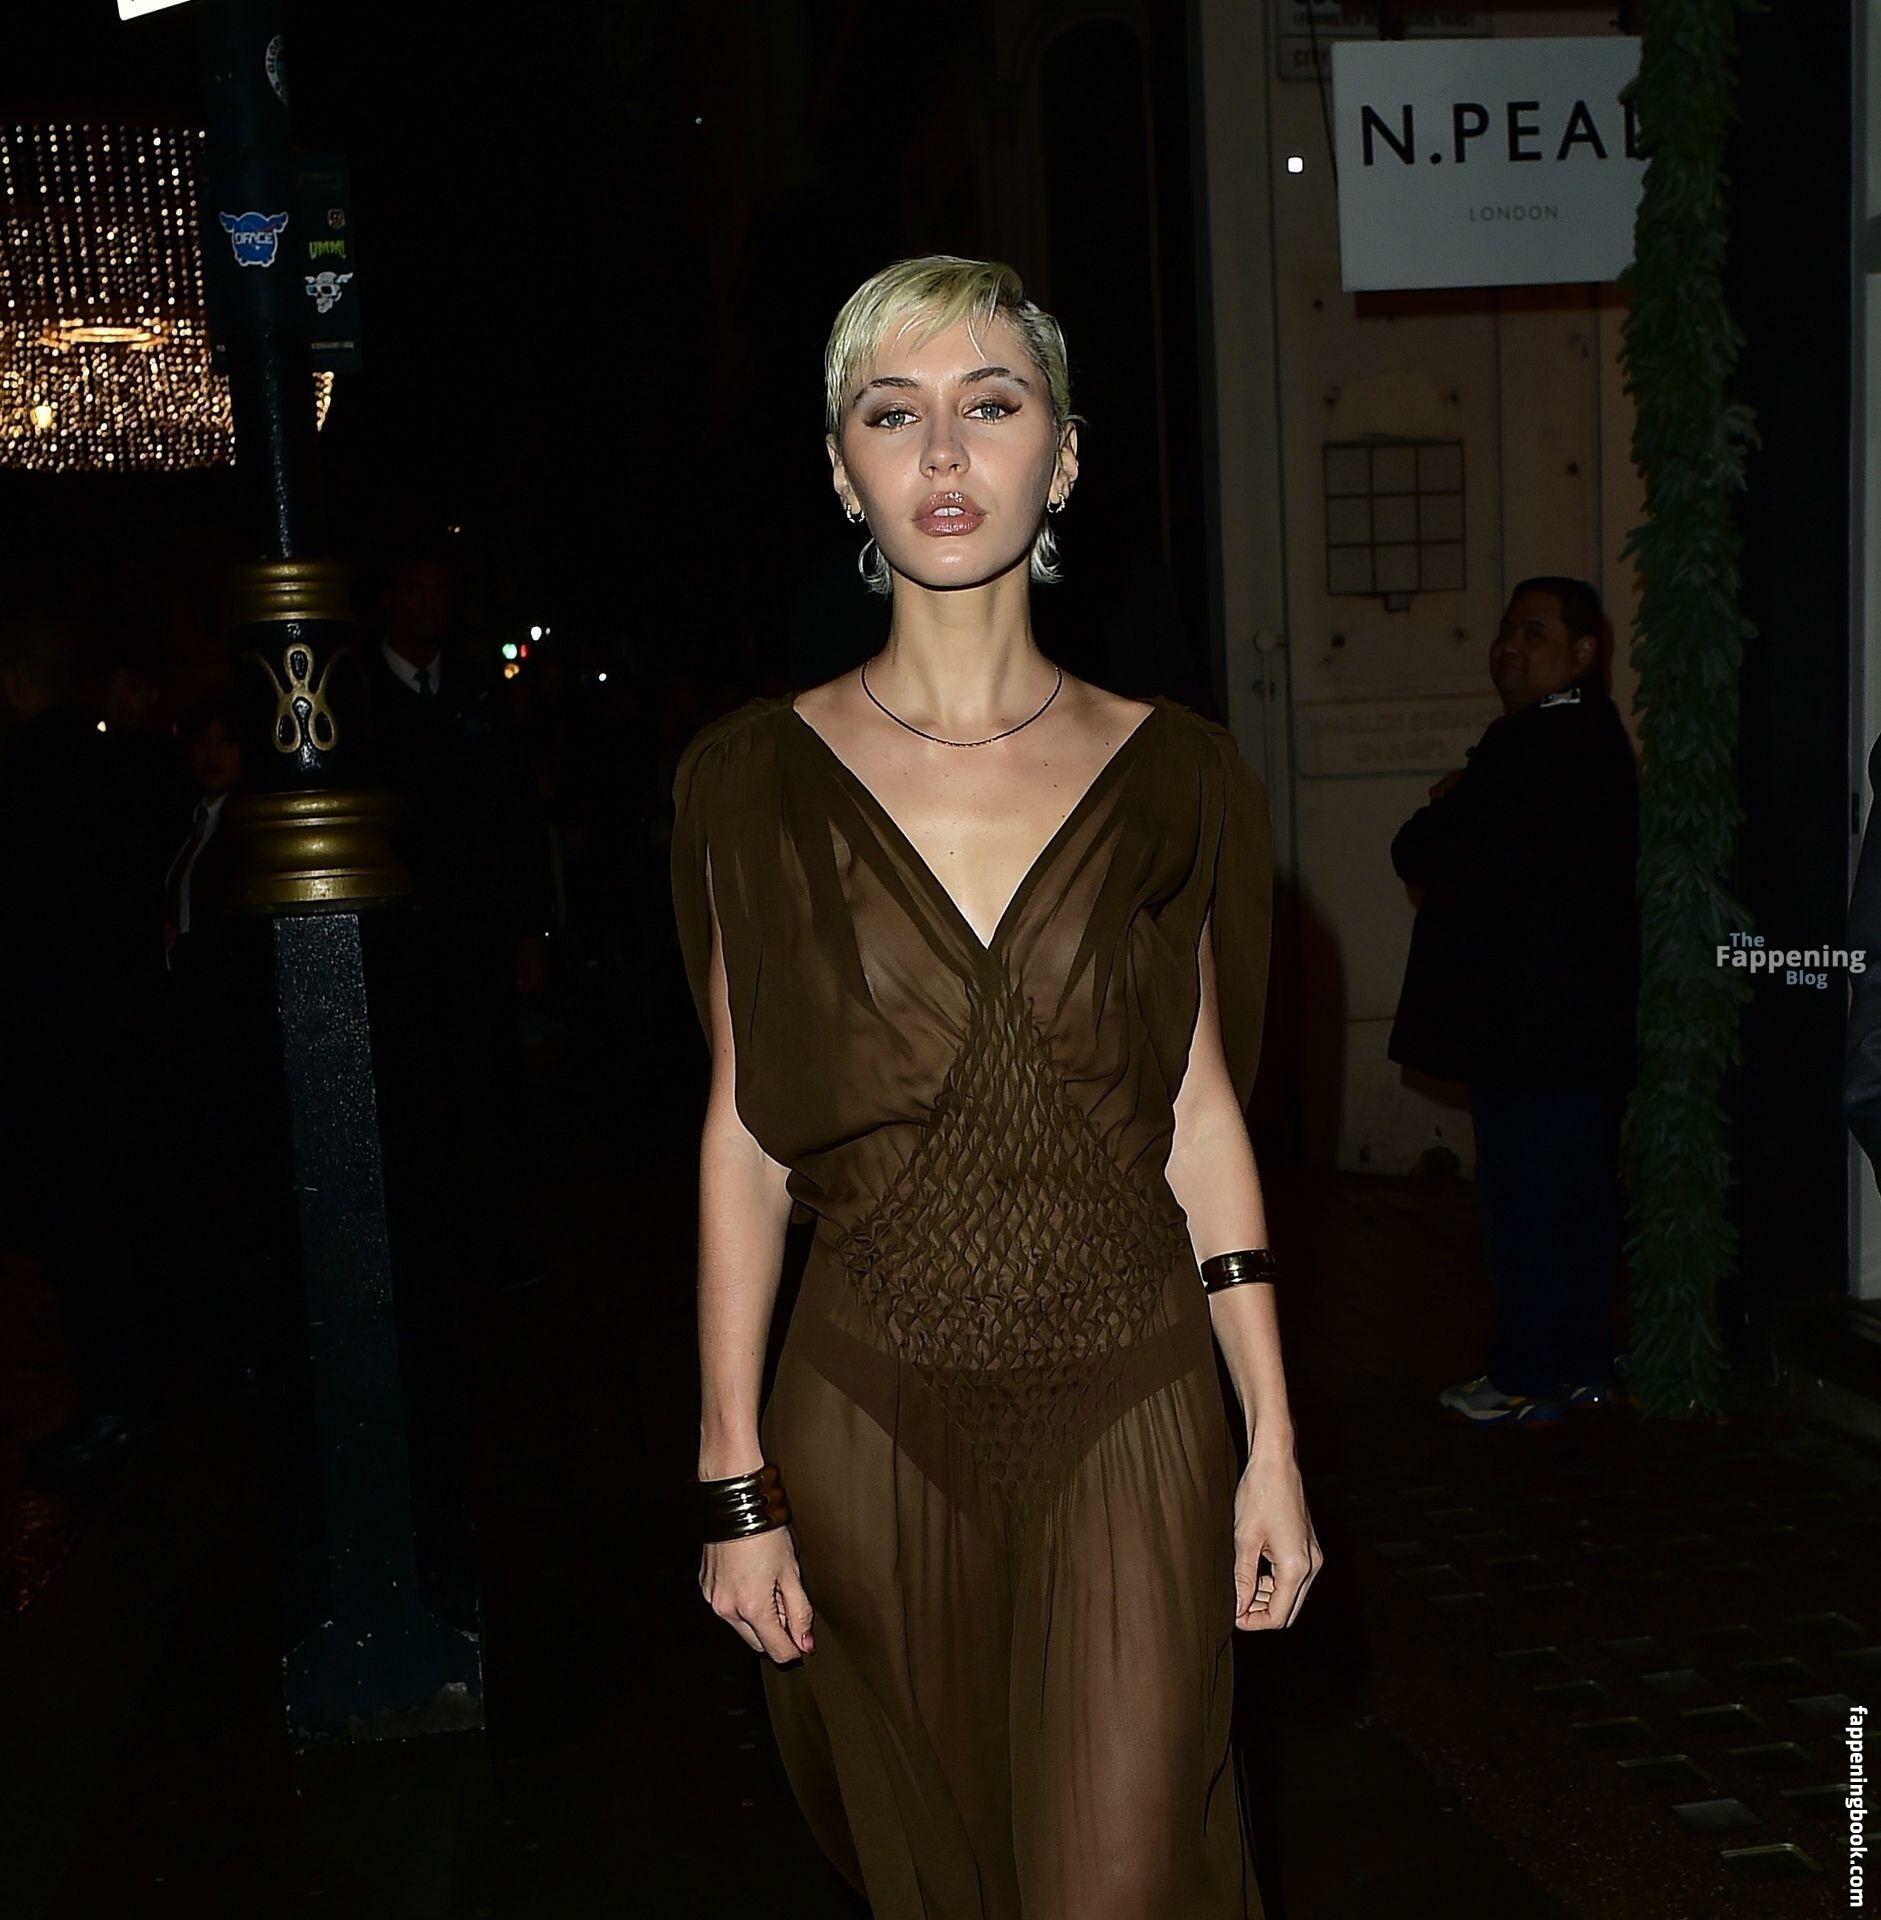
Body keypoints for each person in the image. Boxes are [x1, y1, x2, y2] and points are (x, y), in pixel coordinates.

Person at [670, 255, 1320, 1915]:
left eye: (992, 405)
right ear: (844, 473)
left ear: (1064, 456)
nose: (946, 456)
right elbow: (745, 1139)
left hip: (1132, 1398)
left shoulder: (1174, 775)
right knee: (943, 1880)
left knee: (1120, 1875)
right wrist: (734, 1477)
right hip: (865, 1416)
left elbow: (1200, 1119)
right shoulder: (752, 783)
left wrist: (1271, 1440)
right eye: (894, 415)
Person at [1388, 578, 1639, 1427]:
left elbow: (1421, 849)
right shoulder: (1589, 738)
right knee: (1575, 1198)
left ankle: (1526, 1374)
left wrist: (1451, 800)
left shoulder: (1532, 745)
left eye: (1534, 633)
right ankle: (1580, 1367)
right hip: (1576, 1021)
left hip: (1528, 1025)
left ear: (1582, 652)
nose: (1509, 647)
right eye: (1506, 630)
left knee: (1525, 1203)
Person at [0, 614, 163, 1473]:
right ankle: (134, 1392)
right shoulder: (109, 763)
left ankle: (115, 1403)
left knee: (83, 1226)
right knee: (119, 1215)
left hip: (58, 1041)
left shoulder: (28, 771)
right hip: (118, 1027)